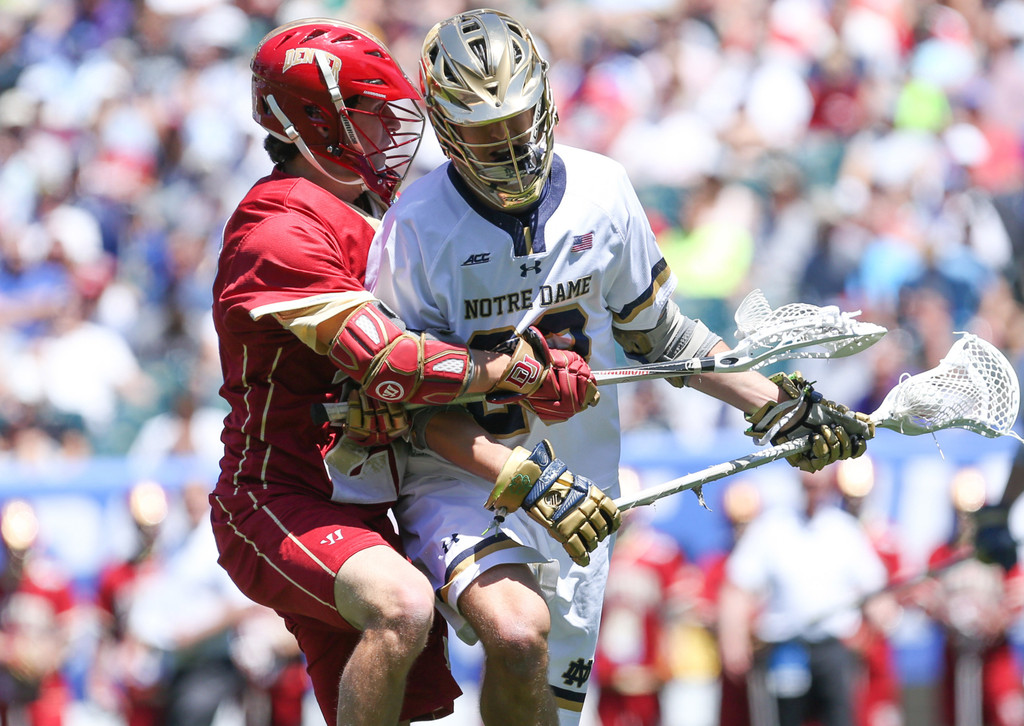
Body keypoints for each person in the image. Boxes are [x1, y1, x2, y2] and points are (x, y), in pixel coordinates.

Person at [368, 9, 874, 724]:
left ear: (546, 99)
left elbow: (661, 337)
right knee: (516, 636)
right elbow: (410, 409)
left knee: (556, 711)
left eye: (518, 122)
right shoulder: (415, 228)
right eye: (486, 132)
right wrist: (521, 478)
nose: (511, 149)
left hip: (580, 484)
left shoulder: (602, 191)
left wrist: (773, 402)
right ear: (447, 130)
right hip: (464, 476)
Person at [211, 18, 604, 726]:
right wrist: (517, 372)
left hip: (369, 503)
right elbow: (392, 364)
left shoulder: (378, 216)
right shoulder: (280, 227)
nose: (388, 132)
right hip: (278, 494)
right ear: (314, 122)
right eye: (366, 117)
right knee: (402, 606)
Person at [717, 467, 890, 726]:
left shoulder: (845, 530)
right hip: (786, 647)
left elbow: (875, 591)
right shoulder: (771, 528)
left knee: (839, 718)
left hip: (832, 647)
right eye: (807, 485)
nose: (813, 492)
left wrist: (874, 629)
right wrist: (733, 639)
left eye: (819, 485)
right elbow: (739, 587)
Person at [913, 467, 1024, 726]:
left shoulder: (999, 553)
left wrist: (998, 617)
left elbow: (1017, 594)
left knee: (1003, 714)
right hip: (956, 655)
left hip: (995, 656)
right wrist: (942, 611)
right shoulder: (941, 553)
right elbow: (923, 595)